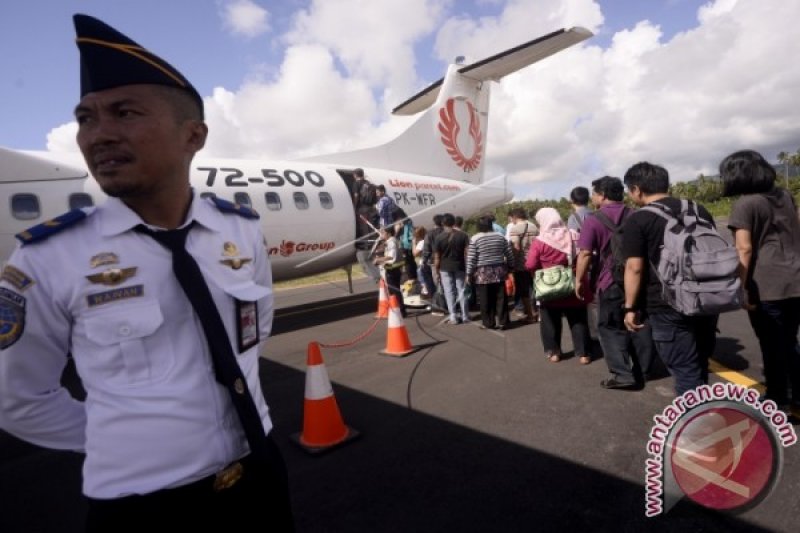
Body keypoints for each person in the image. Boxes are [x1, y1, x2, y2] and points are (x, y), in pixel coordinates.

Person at [0, 14, 294, 531]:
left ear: (193, 136)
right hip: (146, 505)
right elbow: (17, 397)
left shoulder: (240, 231)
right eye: (86, 118)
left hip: (261, 473)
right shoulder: (46, 258)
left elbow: (255, 330)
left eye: (124, 112)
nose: (99, 135)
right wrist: (133, 436)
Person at [621, 162, 717, 395]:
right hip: (706, 295)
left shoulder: (638, 219)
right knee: (699, 362)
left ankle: (694, 425)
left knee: (684, 368)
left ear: (636, 189)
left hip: (666, 302)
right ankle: (702, 411)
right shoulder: (697, 209)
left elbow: (634, 267)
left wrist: (630, 307)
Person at [720, 150, 800, 410]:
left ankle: (779, 401)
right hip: (795, 279)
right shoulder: (784, 195)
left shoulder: (746, 204)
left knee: (772, 346)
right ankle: (796, 394)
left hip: (767, 286)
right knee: (789, 342)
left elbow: (744, 249)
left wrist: (741, 288)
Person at [575, 176, 655, 389]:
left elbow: (585, 254)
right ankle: (644, 369)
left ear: (602, 195)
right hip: (638, 278)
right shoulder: (635, 214)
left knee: (609, 327)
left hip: (609, 281)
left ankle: (622, 374)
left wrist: (579, 280)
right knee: (638, 322)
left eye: (594, 194)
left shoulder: (593, 219)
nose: (593, 198)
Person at [526, 208, 592, 364]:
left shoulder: (539, 241)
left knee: (549, 320)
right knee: (578, 320)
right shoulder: (574, 235)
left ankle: (554, 352)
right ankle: (584, 354)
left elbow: (530, 264)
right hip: (573, 284)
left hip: (550, 287)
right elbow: (585, 255)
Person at [466, 215, 514, 330]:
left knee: (485, 299)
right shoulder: (500, 236)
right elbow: (508, 253)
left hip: (482, 273)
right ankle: (503, 322)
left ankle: (488, 323)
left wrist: (468, 273)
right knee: (501, 298)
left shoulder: (475, 238)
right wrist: (511, 266)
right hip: (499, 270)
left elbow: (471, 258)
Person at [433, 213, 471, 324]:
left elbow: (437, 257)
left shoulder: (439, 238)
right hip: (460, 266)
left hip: (444, 268)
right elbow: (467, 253)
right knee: (461, 290)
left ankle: (453, 316)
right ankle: (465, 316)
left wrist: (436, 270)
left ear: (443, 223)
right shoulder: (463, 235)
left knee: (449, 292)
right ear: (454, 222)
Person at [506, 207, 539, 323]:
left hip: (521, 264)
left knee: (524, 290)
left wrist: (511, 262)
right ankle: (537, 311)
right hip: (535, 261)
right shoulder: (534, 227)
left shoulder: (515, 229)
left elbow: (516, 247)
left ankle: (530, 314)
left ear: (515, 217)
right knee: (534, 287)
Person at [374, 225, 407, 317]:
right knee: (394, 290)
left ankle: (400, 310)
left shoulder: (391, 242)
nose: (381, 234)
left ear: (388, 233)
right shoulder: (391, 241)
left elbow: (392, 256)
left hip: (392, 270)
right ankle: (399, 309)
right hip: (393, 269)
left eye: (383, 233)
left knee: (394, 291)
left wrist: (379, 260)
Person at [412, 226, 432, 298]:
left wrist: (413, 243)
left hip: (422, 264)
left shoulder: (421, 242)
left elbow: (415, 253)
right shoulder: (426, 240)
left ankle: (426, 292)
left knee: (423, 279)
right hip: (425, 263)